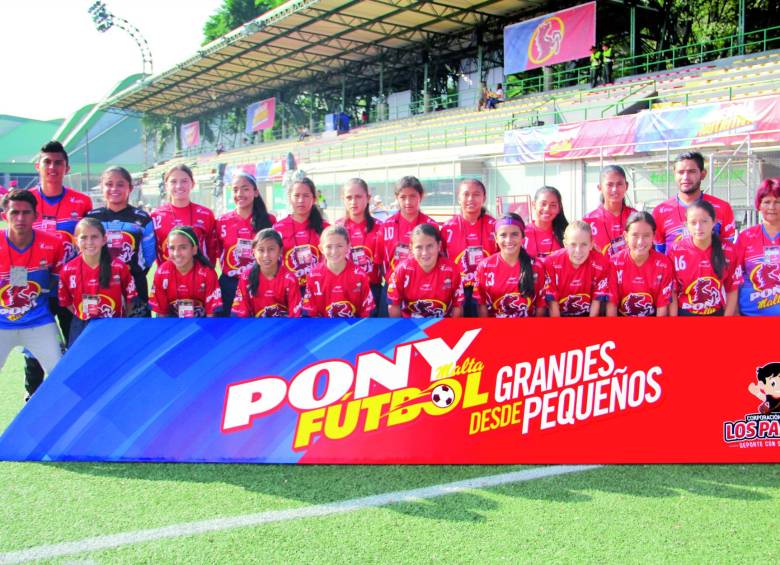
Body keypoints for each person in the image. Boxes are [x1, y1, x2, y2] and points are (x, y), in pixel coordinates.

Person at [26, 141, 93, 396]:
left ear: (67, 167)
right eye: (47, 162)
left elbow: (91, 241)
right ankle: (33, 397)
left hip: (72, 289)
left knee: (75, 343)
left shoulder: (82, 202)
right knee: (34, 347)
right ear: (38, 166)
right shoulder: (26, 201)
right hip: (36, 289)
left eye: (58, 163)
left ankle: (75, 397)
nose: (52, 167)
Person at [0, 189, 65, 396]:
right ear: (4, 216)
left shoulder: (54, 244)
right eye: (14, 213)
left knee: (60, 374)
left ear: (36, 216)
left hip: (38, 322)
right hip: (1, 323)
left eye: (26, 212)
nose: (20, 218)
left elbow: (57, 283)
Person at [86, 166, 156, 317]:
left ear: (130, 188)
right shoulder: (91, 218)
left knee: (135, 333)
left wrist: (132, 273)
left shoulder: (143, 218)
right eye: (109, 184)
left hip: (135, 284)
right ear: (102, 187)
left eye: (120, 184)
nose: (114, 189)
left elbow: (149, 257)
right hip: (99, 284)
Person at [58, 218, 138, 346]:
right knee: (82, 361)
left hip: (113, 323)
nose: (89, 242)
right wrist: (84, 315)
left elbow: (130, 299)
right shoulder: (67, 270)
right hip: (82, 325)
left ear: (104, 240)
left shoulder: (119, 267)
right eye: (84, 237)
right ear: (75, 240)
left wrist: (118, 318)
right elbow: (66, 302)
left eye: (94, 237)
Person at [376, 176, 438, 315]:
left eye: (413, 196)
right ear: (396, 198)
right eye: (403, 197)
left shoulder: (431, 225)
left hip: (422, 287)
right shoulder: (386, 225)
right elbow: (379, 260)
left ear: (420, 196)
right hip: (392, 286)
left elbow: (438, 258)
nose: (408, 202)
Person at [668, 200, 741, 316]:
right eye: (693, 222)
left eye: (704, 221)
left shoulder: (728, 250)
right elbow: (672, 290)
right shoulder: (676, 250)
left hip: (717, 312)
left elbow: (732, 289)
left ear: (714, 222)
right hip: (685, 313)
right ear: (686, 225)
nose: (698, 227)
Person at [653, 151, 735, 254]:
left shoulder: (722, 208)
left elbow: (728, 251)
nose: (685, 177)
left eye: (691, 171)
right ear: (674, 174)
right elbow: (659, 253)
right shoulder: (660, 211)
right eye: (681, 172)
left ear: (703, 174)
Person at [217, 173, 276, 313]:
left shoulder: (269, 220)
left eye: (245, 189)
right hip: (230, 286)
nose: (239, 194)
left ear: (255, 192)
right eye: (235, 189)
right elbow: (217, 253)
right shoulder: (221, 221)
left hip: (260, 283)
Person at [440, 179, 497, 317]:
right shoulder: (448, 227)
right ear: (459, 198)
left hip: (488, 289)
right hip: (458, 290)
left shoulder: (495, 225)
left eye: (476, 194)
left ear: (484, 198)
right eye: (466, 194)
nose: (471, 199)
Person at [474, 213, 546, 318]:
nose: (509, 240)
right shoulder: (484, 266)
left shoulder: (536, 266)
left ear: (523, 236)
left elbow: (541, 304)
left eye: (514, 234)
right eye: (503, 235)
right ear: (496, 238)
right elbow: (481, 304)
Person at [387, 224, 464, 318]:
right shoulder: (401, 270)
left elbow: (458, 306)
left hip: (443, 324)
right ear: (411, 248)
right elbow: (393, 305)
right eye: (419, 247)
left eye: (430, 246)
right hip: (411, 326)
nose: (425, 253)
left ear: (439, 246)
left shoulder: (452, 270)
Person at [544, 220, 616, 317]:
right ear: (565, 244)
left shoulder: (601, 263)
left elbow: (596, 302)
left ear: (591, 244)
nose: (578, 251)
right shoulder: (551, 263)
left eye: (584, 244)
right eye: (573, 244)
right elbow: (553, 305)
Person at [609, 212, 675, 316]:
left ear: (653, 236)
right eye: (635, 235)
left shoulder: (664, 264)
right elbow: (611, 304)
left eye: (646, 236)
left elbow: (662, 306)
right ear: (626, 236)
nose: (640, 242)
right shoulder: (614, 263)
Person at [151, 164, 219, 265]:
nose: (179, 186)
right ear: (166, 186)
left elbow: (212, 251)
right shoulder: (155, 216)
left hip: (199, 277)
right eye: (173, 181)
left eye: (184, 181)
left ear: (193, 184)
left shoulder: (206, 214)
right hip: (168, 278)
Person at [149, 226, 222, 318]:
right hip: (172, 327)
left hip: (201, 327)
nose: (176, 253)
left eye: (183, 247)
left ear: (194, 249)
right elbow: (161, 314)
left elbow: (211, 315)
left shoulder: (207, 274)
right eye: (172, 248)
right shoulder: (161, 272)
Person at [303, 226, 374, 318]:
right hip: (325, 328)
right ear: (321, 249)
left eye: (339, 246)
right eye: (329, 246)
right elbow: (310, 314)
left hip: (352, 328)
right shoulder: (313, 275)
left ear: (348, 246)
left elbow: (367, 311)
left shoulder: (360, 275)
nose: (334, 251)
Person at [231, 229, 302, 318]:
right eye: (261, 250)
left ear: (280, 251)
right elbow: (240, 312)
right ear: (253, 252)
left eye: (271, 249)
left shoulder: (290, 278)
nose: (266, 255)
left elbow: (296, 315)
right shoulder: (246, 277)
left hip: (284, 328)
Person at [337, 178, 383, 315]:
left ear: (368, 198)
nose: (353, 201)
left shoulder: (380, 227)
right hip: (344, 291)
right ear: (343, 199)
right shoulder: (337, 227)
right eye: (349, 197)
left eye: (358, 196)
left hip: (372, 290)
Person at [273, 177, 329, 288]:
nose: (301, 200)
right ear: (289, 198)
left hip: (318, 290)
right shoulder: (278, 228)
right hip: (288, 291)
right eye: (297, 195)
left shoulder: (326, 228)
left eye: (306, 196)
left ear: (314, 199)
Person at [736, 178, 780, 316]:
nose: (772, 207)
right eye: (767, 202)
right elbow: (734, 278)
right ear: (759, 205)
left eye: (777, 202)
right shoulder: (746, 237)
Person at [583, 165, 637, 256]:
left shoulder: (636, 217)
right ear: (600, 187)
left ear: (626, 186)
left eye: (619, 184)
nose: (615, 189)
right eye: (609, 184)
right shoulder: (588, 221)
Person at [524, 186, 568, 259]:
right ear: (534, 204)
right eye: (543, 204)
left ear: (559, 208)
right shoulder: (521, 233)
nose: (547, 209)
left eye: (553, 205)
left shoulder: (567, 233)